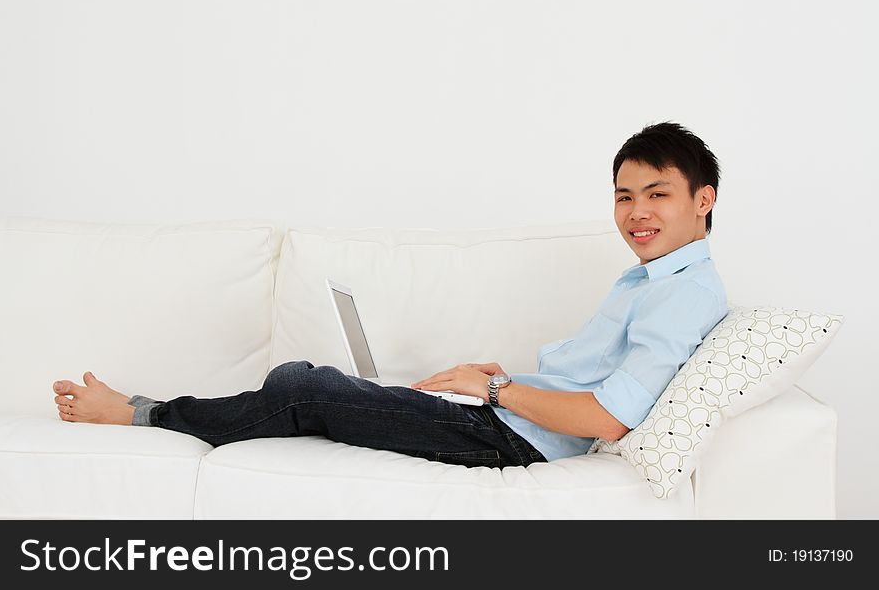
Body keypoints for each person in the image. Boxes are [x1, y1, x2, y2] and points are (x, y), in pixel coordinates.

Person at [51, 121, 728, 469]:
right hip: (510, 419)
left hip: (511, 440)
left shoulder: (686, 293)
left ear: (704, 199)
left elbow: (610, 418)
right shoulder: (652, 278)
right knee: (319, 387)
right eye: (624, 196)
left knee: (303, 387)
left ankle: (142, 415)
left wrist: (496, 394)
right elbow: (598, 385)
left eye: (656, 194)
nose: (637, 211)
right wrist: (510, 380)